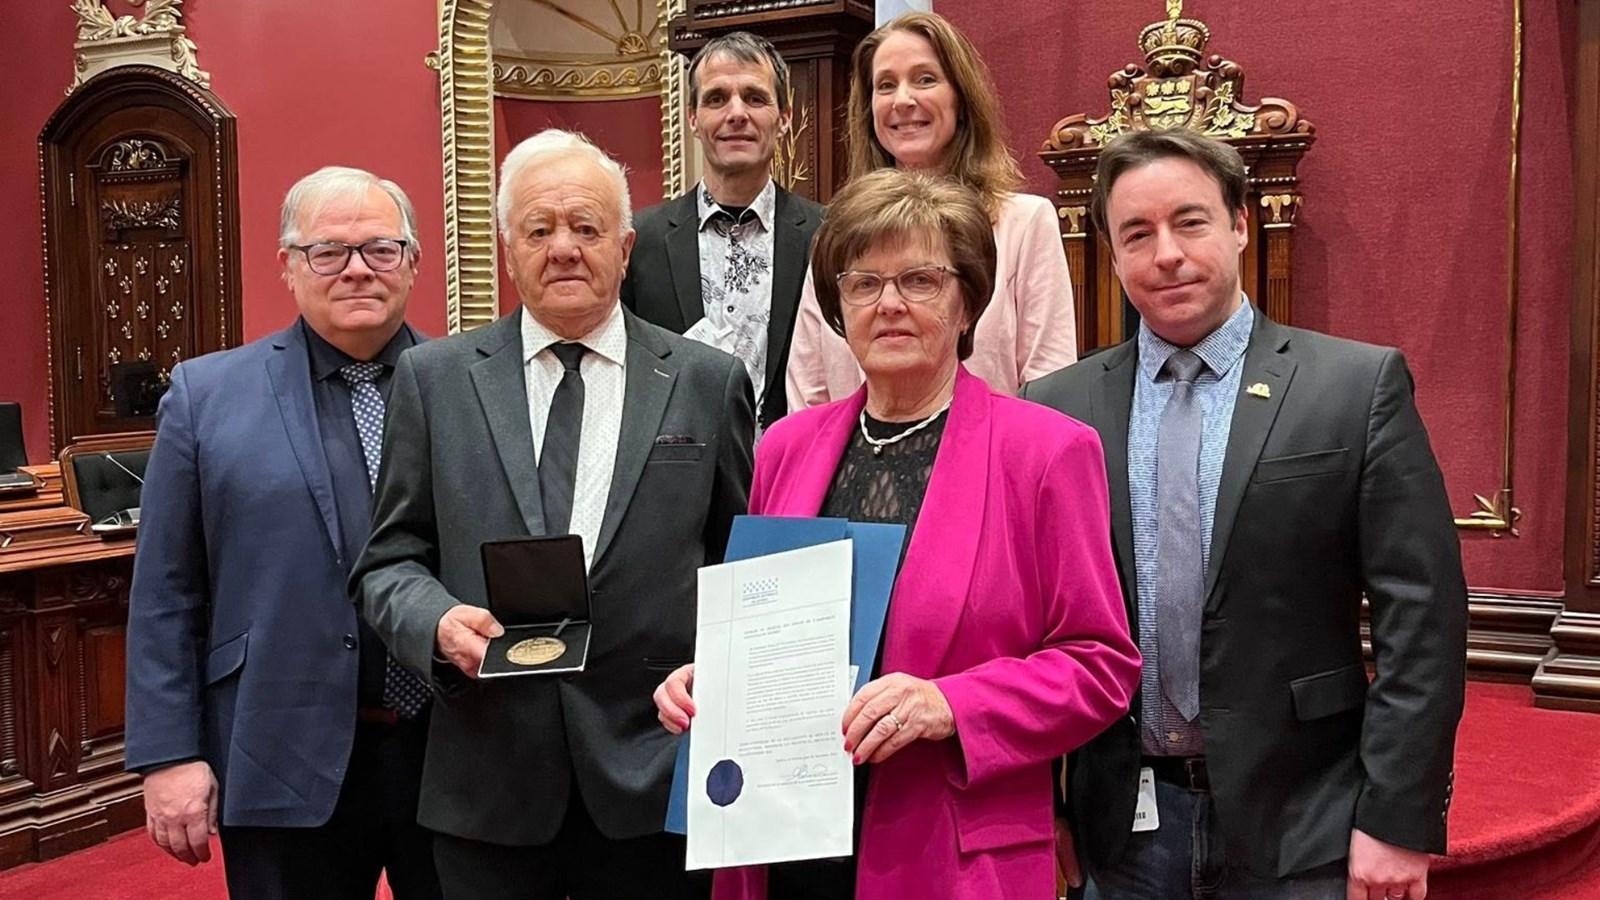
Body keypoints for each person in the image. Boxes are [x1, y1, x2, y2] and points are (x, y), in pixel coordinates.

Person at [654, 169, 1140, 899]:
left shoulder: (1046, 452)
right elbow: (765, 631)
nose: (889, 304)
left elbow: (1100, 665)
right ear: (837, 306)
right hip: (780, 844)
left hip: (951, 851)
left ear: (967, 302)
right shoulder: (786, 446)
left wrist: (954, 705)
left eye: (920, 280)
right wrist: (712, 686)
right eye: (863, 283)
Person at [1022, 129, 1467, 900]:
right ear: (1110, 252)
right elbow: (1039, 626)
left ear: (1238, 224)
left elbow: (1422, 621)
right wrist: (1048, 805)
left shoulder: (1355, 389)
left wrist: (1397, 817)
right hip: (1122, 828)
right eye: (1137, 233)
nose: (1166, 254)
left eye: (1189, 221)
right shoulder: (1061, 408)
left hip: (1307, 820)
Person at [352, 129, 753, 900]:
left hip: (656, 768)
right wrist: (433, 622)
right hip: (487, 774)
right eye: (540, 229)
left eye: (587, 227)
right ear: (509, 249)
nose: (564, 247)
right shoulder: (433, 382)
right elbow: (388, 559)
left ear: (626, 246)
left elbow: (742, 561)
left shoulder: (707, 381)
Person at [124, 167, 441, 900]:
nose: (357, 268)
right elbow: (167, 591)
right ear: (288, 267)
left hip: (450, 751)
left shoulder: (467, 384)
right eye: (328, 251)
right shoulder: (205, 397)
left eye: (382, 249)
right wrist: (168, 755)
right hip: (277, 747)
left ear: (413, 263)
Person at [785, 10, 1076, 409]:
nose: (903, 100)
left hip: (991, 466)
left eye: (925, 79)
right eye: (885, 85)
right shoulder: (834, 237)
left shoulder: (1026, 224)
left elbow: (1051, 389)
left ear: (961, 98)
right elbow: (808, 394)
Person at [623, 31, 824, 433]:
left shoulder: (826, 236)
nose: (737, 113)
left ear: (784, 117)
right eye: (717, 98)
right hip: (676, 477)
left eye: (754, 97)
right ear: (693, 118)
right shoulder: (638, 240)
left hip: (791, 470)